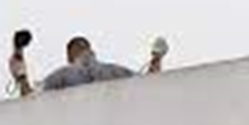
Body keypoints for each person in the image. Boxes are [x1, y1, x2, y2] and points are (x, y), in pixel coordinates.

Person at [9, 36, 150, 95]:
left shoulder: (63, 74)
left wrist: (21, 75)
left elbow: (31, 96)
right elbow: (150, 83)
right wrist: (156, 57)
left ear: (70, 55)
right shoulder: (114, 71)